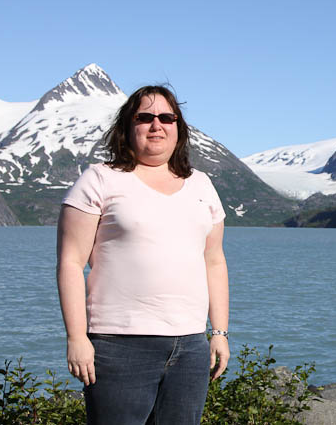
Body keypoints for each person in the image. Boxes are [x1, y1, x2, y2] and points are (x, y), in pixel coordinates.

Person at [55, 85, 229, 424]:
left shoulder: (201, 184)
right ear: (127, 126)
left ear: (178, 127)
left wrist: (219, 333)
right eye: (144, 117)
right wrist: (77, 337)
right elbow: (70, 263)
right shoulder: (99, 179)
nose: (156, 125)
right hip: (119, 345)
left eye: (167, 117)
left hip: (190, 346)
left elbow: (214, 261)